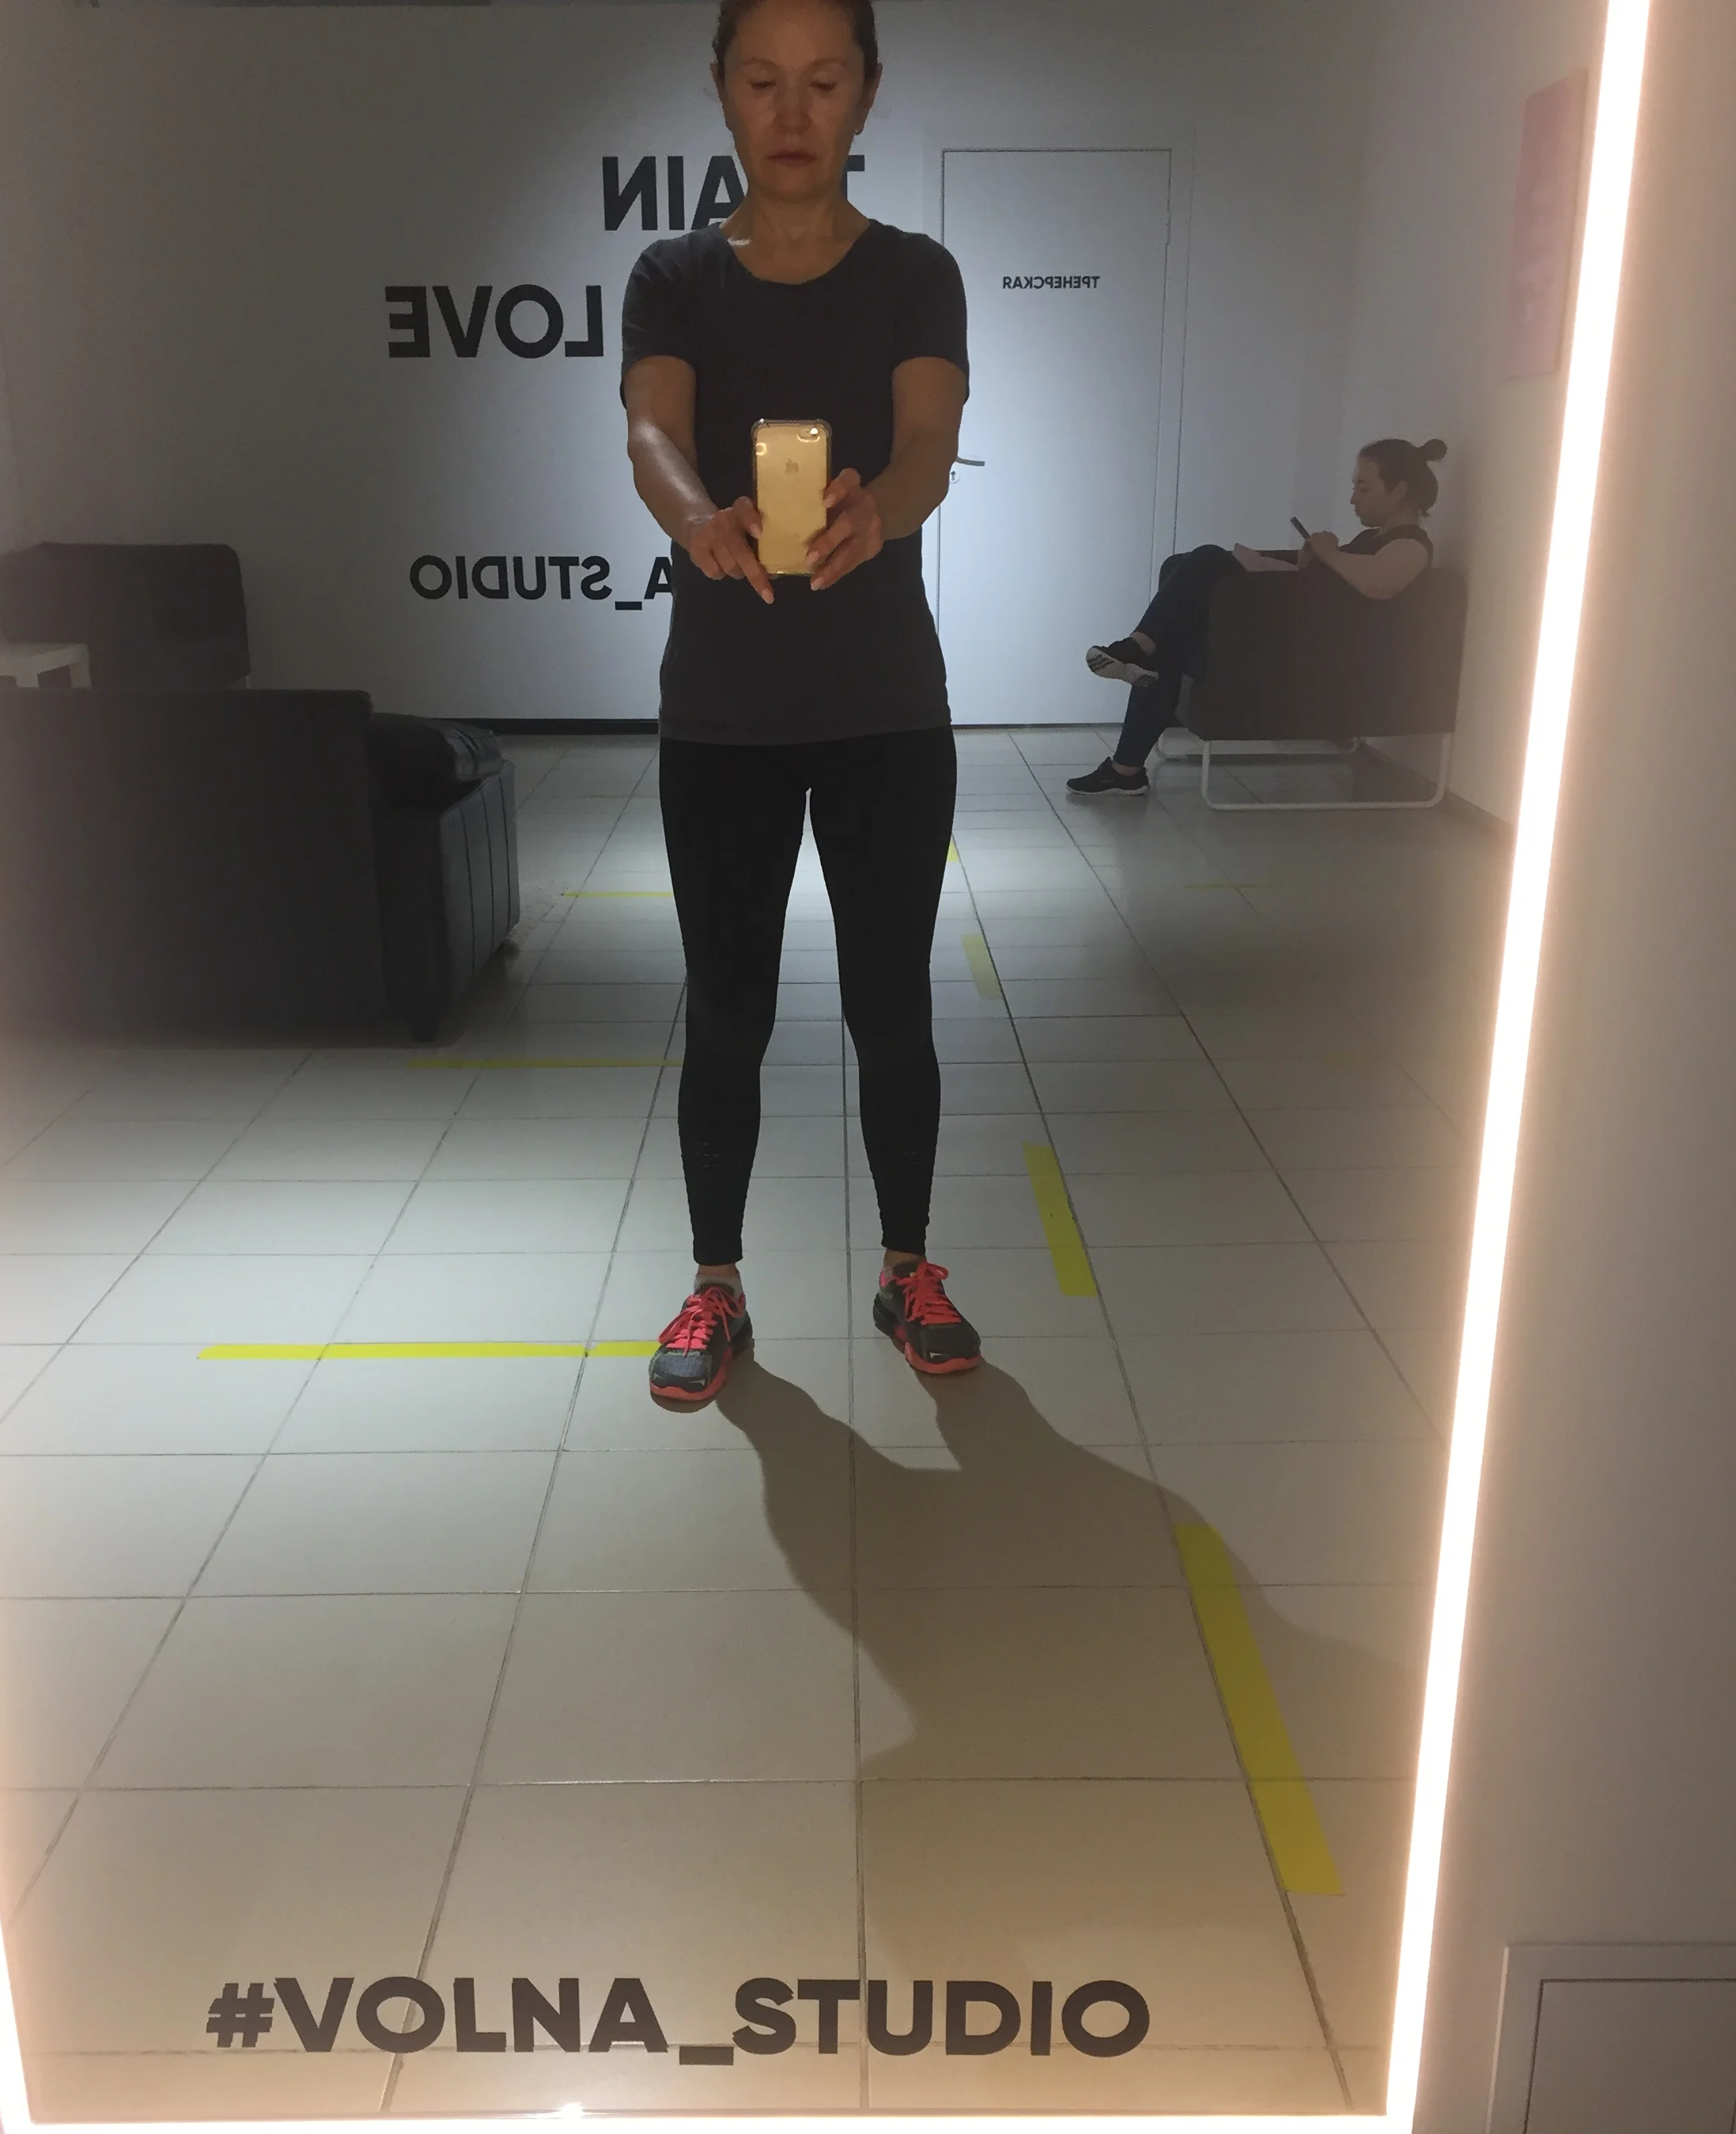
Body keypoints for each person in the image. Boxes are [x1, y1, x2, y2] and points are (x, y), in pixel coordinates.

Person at [621, 0, 982, 1407]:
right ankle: (714, 1284)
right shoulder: (672, 275)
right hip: (722, 716)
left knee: (892, 1009)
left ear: (867, 93)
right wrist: (695, 512)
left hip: (885, 706)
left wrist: (878, 509)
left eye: (823, 80)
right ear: (720, 89)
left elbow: (930, 442)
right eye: (763, 80)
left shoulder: (914, 273)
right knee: (727, 1015)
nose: (791, 111)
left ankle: (907, 1268)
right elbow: (651, 430)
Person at [1066, 437, 1449, 796]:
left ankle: (1136, 652)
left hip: (1311, 661)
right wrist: (1308, 561)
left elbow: (1379, 585)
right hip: (1295, 641)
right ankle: (1127, 763)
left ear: (1399, 491)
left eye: (1363, 488)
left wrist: (1329, 554)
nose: (1353, 498)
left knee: (1206, 561)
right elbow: (1330, 593)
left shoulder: (1410, 545)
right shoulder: (1369, 541)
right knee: (1175, 628)